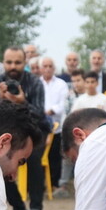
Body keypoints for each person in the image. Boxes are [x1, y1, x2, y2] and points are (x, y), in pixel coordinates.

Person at [0, 46, 50, 210]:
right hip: (5, 133)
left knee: (34, 158)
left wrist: (22, 102)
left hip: (32, 131)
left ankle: (36, 208)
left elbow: (39, 114)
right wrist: (0, 100)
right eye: (9, 62)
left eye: (17, 62)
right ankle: (17, 207)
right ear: (3, 63)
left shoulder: (35, 83)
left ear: (25, 63)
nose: (13, 66)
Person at [54, 69, 86, 199]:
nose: (76, 83)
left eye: (78, 80)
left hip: (87, 133)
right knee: (67, 157)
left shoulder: (92, 96)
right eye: (73, 81)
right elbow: (65, 116)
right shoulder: (69, 96)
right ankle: (63, 185)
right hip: (71, 131)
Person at [40, 56, 68, 189]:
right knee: (37, 155)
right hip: (39, 125)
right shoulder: (36, 83)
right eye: (45, 66)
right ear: (41, 68)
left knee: (55, 157)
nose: (47, 69)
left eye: (50, 66)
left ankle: (54, 184)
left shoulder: (61, 84)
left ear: (54, 68)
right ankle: (40, 185)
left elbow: (63, 104)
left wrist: (50, 111)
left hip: (55, 126)